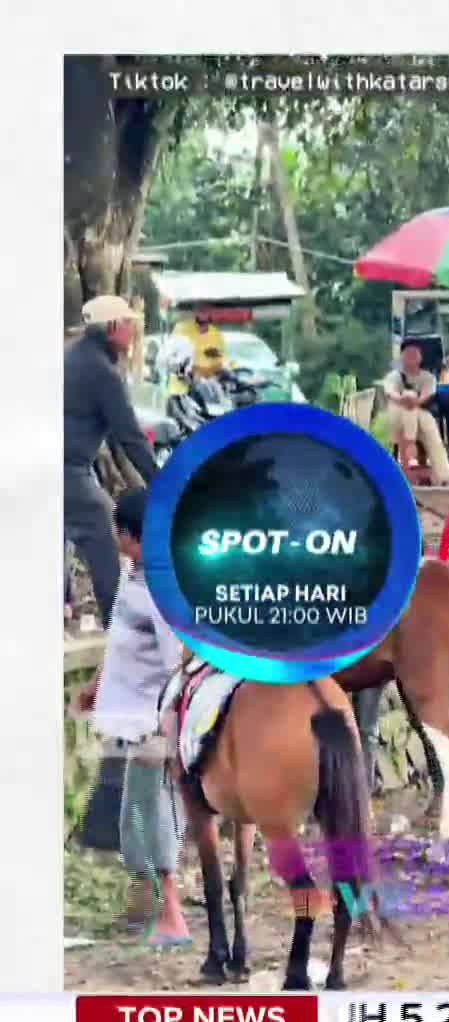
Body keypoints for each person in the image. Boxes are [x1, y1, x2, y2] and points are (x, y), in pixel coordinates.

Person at [70, 488, 191, 947]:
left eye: (117, 530)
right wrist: (98, 683)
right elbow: (122, 637)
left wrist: (167, 722)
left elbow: (174, 659)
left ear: (129, 535)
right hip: (126, 718)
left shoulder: (161, 588)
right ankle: (145, 907)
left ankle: (173, 917)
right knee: (133, 817)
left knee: (152, 813)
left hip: (149, 721)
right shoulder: (133, 576)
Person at [65, 295, 159, 630]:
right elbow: (129, 437)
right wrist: (162, 481)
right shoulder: (101, 371)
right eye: (130, 323)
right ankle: (119, 627)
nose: (134, 330)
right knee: (104, 525)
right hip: (65, 469)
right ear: (114, 327)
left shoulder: (75, 356)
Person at [383, 344, 449, 485]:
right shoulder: (393, 377)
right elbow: (392, 395)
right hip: (396, 414)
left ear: (420, 358)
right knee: (408, 404)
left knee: (430, 429)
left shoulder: (428, 378)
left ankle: (443, 476)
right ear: (401, 356)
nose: (411, 357)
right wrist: (405, 399)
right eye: (407, 353)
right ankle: (409, 448)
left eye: (414, 354)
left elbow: (425, 397)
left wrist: (413, 401)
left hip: (419, 413)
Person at [176, 303, 229, 381]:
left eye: (206, 310)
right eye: (200, 310)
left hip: (208, 382)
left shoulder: (217, 335)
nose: (203, 313)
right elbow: (175, 358)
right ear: (195, 311)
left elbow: (219, 362)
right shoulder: (181, 329)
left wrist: (214, 375)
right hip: (184, 382)